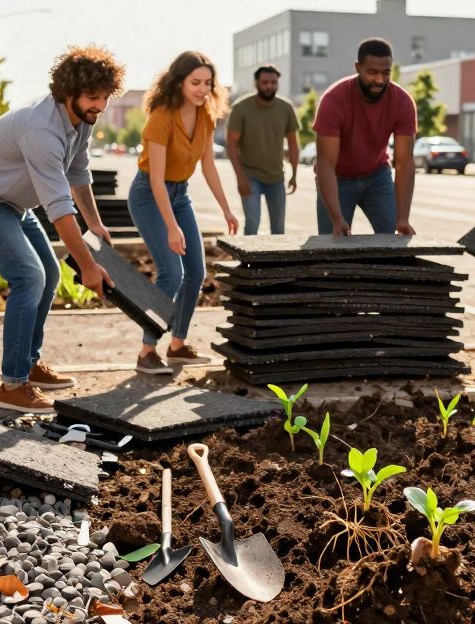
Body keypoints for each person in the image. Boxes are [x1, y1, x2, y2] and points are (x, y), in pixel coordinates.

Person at [0, 45, 122, 414]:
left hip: (10, 203)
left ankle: (28, 363)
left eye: (105, 98)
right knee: (28, 276)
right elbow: (58, 208)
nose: (100, 106)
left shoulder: (80, 121)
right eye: (93, 97)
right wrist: (89, 266)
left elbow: (77, 174)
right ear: (68, 92)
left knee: (50, 273)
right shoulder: (41, 128)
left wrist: (94, 223)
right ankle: (12, 386)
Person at [128, 51, 238, 375]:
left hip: (180, 195)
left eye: (208, 83)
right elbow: (158, 181)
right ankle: (147, 352)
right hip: (149, 194)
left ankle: (177, 345)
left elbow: (208, 167)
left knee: (196, 273)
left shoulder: (206, 115)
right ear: (178, 81)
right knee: (171, 274)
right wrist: (172, 227)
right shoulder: (161, 116)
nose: (203, 89)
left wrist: (227, 209)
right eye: (195, 82)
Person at [313, 38, 417, 236]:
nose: (379, 80)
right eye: (372, 72)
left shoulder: (402, 102)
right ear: (358, 67)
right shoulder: (334, 100)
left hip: (377, 176)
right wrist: (336, 217)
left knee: (392, 244)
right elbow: (325, 163)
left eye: (386, 72)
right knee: (331, 245)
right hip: (338, 178)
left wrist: (403, 218)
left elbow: (404, 163)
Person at [227, 65, 300, 235]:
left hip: (276, 177)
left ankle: (274, 263)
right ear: (256, 83)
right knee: (252, 224)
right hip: (250, 176)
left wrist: (294, 174)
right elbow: (231, 146)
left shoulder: (286, 108)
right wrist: (240, 178)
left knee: (278, 229)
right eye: (265, 82)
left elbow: (293, 144)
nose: (269, 86)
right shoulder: (240, 108)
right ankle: (249, 262)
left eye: (273, 82)